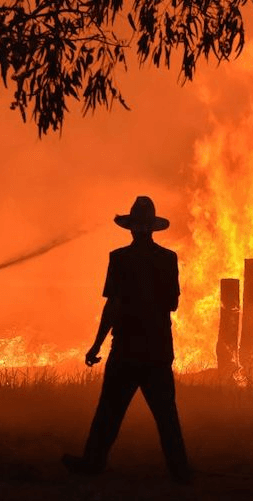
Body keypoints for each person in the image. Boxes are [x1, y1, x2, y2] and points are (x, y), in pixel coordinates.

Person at [62, 196, 191, 483]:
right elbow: (173, 304)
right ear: (152, 229)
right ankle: (180, 473)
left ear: (131, 229)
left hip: (126, 348)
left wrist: (96, 345)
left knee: (109, 410)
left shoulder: (119, 258)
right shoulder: (168, 259)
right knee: (166, 415)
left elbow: (113, 306)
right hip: (157, 349)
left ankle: (92, 463)